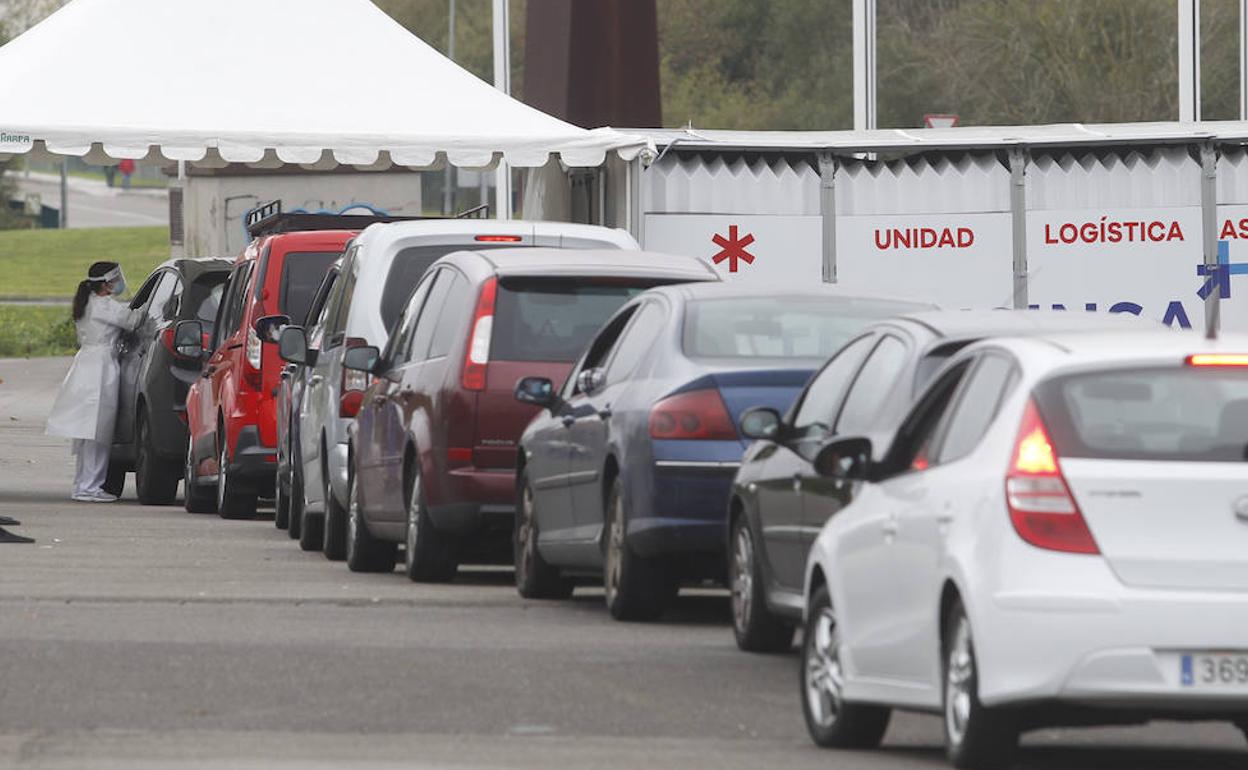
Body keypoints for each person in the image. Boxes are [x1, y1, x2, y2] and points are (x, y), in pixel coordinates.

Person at [45, 262, 140, 502]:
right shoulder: (105, 305)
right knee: (99, 431)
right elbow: (132, 321)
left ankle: (83, 484)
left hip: (86, 365)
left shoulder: (87, 302)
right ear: (107, 283)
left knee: (87, 431)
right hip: (101, 368)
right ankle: (90, 487)